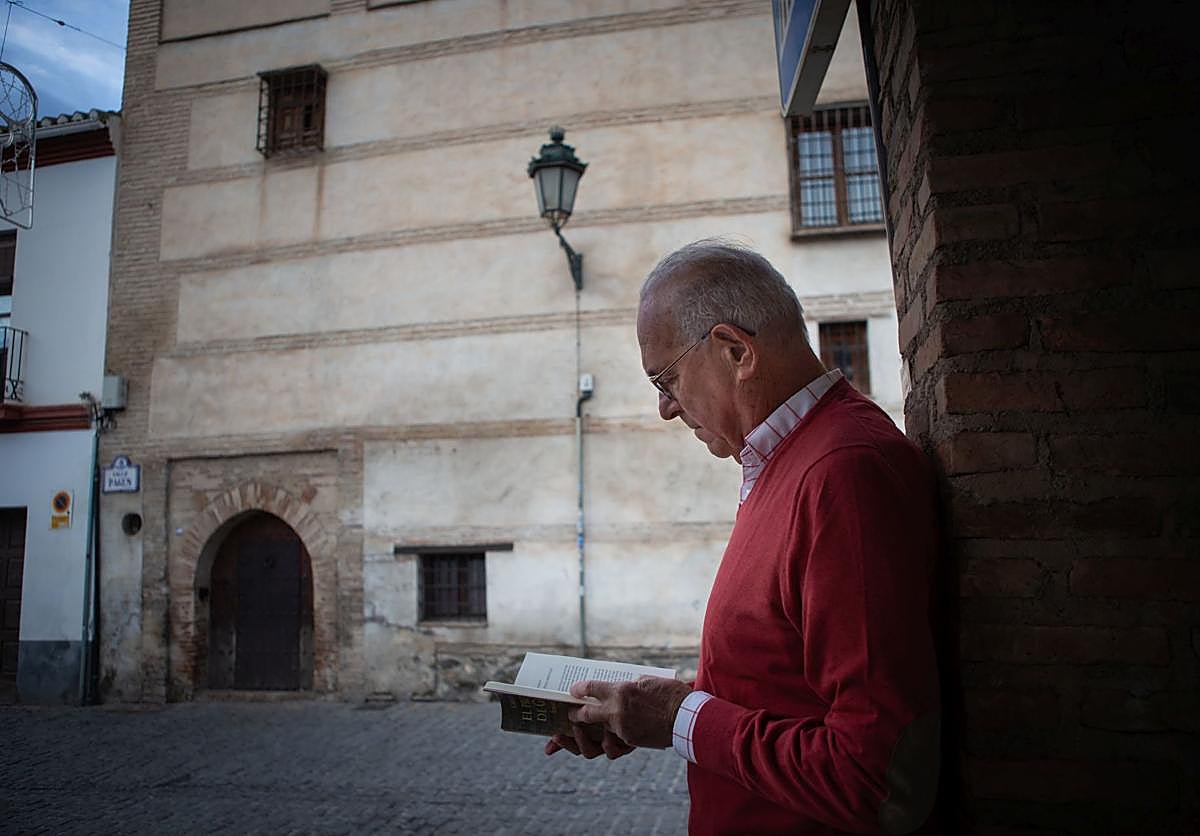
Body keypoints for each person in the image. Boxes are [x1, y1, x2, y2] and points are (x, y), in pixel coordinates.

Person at [545, 240, 941, 836]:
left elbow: (879, 780)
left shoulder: (844, 473)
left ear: (735, 352)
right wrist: (645, 714)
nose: (665, 408)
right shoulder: (788, 461)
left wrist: (682, 719)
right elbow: (782, 688)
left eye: (666, 378)